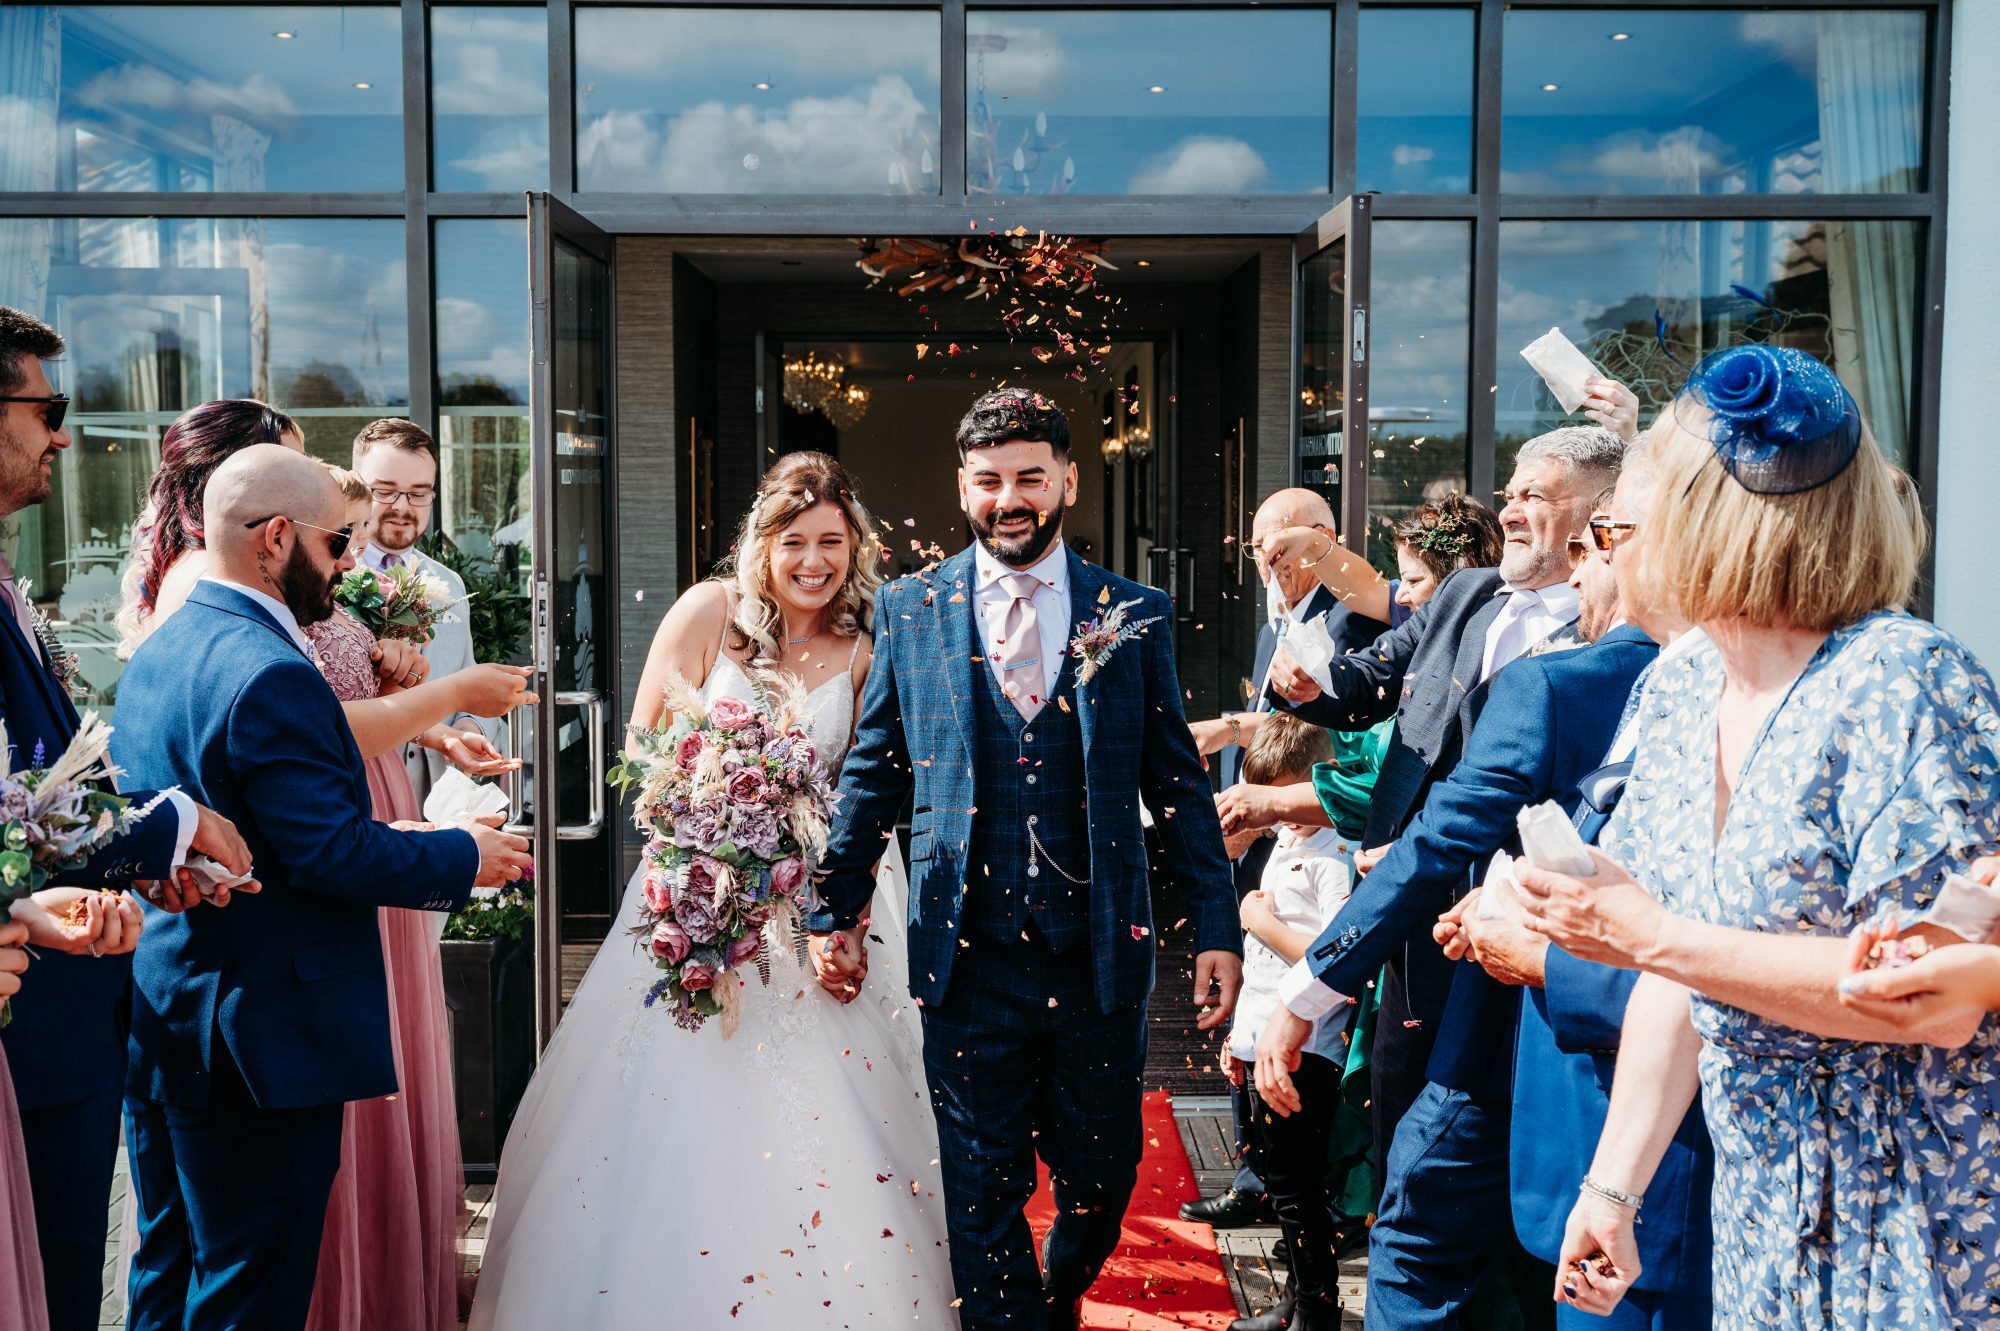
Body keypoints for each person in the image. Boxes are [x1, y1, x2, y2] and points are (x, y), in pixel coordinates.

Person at [1510, 346, 2000, 1329]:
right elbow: (1669, 968)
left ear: (1703, 522)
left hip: (1908, 1216)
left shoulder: (1902, 678)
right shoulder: (1685, 680)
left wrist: (1642, 930)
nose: (1607, 544)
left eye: (1627, 517)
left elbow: (1933, 996)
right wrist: (1611, 1188)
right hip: (1753, 1211)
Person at [468, 451, 957, 1330]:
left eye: (832, 542)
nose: (815, 561)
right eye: (795, 541)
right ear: (761, 543)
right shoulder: (708, 613)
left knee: (840, 1111)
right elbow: (643, 751)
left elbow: (874, 788)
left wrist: (815, 879)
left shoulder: (864, 647)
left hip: (813, 903)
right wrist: (706, 826)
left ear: (857, 547)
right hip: (695, 880)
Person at [808, 389, 1242, 1331]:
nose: (1010, 497)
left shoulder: (1133, 613)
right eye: (990, 479)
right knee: (980, 1185)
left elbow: (1176, 786)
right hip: (967, 953)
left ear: (1068, 482)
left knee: (1102, 1177)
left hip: (1096, 952)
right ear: (963, 486)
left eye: (1029, 478)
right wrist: (832, 908)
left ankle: (1054, 1296)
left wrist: (1218, 923)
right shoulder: (910, 607)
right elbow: (876, 770)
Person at [114, 445, 529, 1331]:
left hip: (170, 1013)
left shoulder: (165, 643)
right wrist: (462, 854)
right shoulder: (272, 669)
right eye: (337, 542)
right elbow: (327, 855)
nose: (347, 562)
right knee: (249, 1291)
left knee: (171, 1268)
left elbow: (255, 824)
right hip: (261, 1035)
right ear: (275, 539)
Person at [1255, 477, 1648, 1330]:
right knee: (1412, 1145)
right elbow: (1377, 678)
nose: (1510, 508)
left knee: (1434, 1208)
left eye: (1540, 499)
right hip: (1416, 938)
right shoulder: (1471, 593)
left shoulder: (1584, 675)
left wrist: (1310, 984)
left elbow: (1458, 825)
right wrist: (1313, 688)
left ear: (1600, 525)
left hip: (1535, 975)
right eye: (1507, 490)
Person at [0, 308, 261, 1331]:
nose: (62, 436)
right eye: (46, 408)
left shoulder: (11, 587)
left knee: (68, 1278)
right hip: (31, 1013)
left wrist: (155, 837)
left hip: (66, 1008)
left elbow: (39, 787)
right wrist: (161, 832)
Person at [302, 465, 523, 1331]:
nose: (354, 549)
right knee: (367, 1034)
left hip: (390, 792)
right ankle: (354, 1283)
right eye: (342, 534)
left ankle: (397, 1273)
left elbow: (361, 698)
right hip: (344, 811)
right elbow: (316, 719)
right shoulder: (272, 612)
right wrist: (447, 697)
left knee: (400, 1030)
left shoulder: (333, 601)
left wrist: (434, 726)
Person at [1499, 449, 1714, 1331]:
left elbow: (1700, 960)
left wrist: (1544, 953)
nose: (1601, 556)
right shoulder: (1669, 684)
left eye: (1612, 531)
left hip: (1671, 1178)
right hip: (1611, 1159)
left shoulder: (1729, 692)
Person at [1180, 488, 1387, 1234]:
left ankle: (1299, 1181)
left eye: (1283, 544)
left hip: (1325, 824)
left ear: (1325, 540)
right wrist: (1234, 729)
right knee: (1259, 995)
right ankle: (1256, 1172)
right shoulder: (1280, 617)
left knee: (1303, 994)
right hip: (1278, 819)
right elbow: (1278, 721)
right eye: (1258, 546)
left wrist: (1270, 802)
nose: (1268, 558)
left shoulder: (1358, 619)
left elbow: (1344, 733)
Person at [1212, 492, 1507, 838]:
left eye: (1412, 581)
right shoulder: (1416, 630)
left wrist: (1278, 803)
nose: (1397, 595)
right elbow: (1370, 670)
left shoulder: (1496, 659)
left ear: (1457, 587)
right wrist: (1315, 684)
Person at [1222, 715, 1354, 1331]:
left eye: (1292, 800)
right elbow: (1260, 969)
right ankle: (1297, 1301)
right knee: (1280, 1182)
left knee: (1301, 1190)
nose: (1282, 816)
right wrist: (1241, 1038)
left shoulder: (1334, 857)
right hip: (1263, 1042)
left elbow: (1335, 956)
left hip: (1308, 1050)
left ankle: (1316, 1311)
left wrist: (1261, 921)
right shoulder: (1285, 847)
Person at [350, 419, 507, 804]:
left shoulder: (448, 582)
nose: (403, 507)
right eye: (385, 491)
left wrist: (471, 727)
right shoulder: (329, 576)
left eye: (418, 494)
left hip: (435, 796)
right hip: (356, 789)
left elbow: (466, 672)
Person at [1257, 491, 1506, 632]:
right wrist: (1313, 542)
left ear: (1461, 576)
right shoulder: (1416, 625)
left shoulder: (1502, 632)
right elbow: (1366, 590)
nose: (1399, 596)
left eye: (1413, 581)